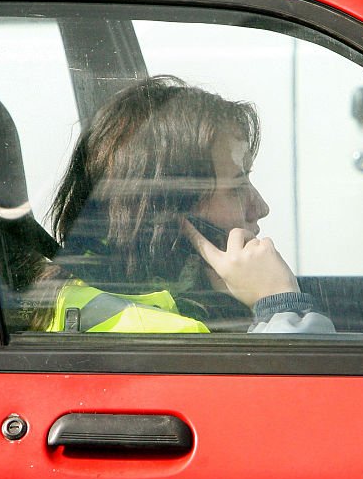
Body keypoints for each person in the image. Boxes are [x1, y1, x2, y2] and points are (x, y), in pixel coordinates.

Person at [27, 75, 333, 334]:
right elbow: (309, 400)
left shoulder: (117, 293)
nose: (260, 207)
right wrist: (280, 304)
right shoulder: (161, 333)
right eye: (236, 188)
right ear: (167, 211)